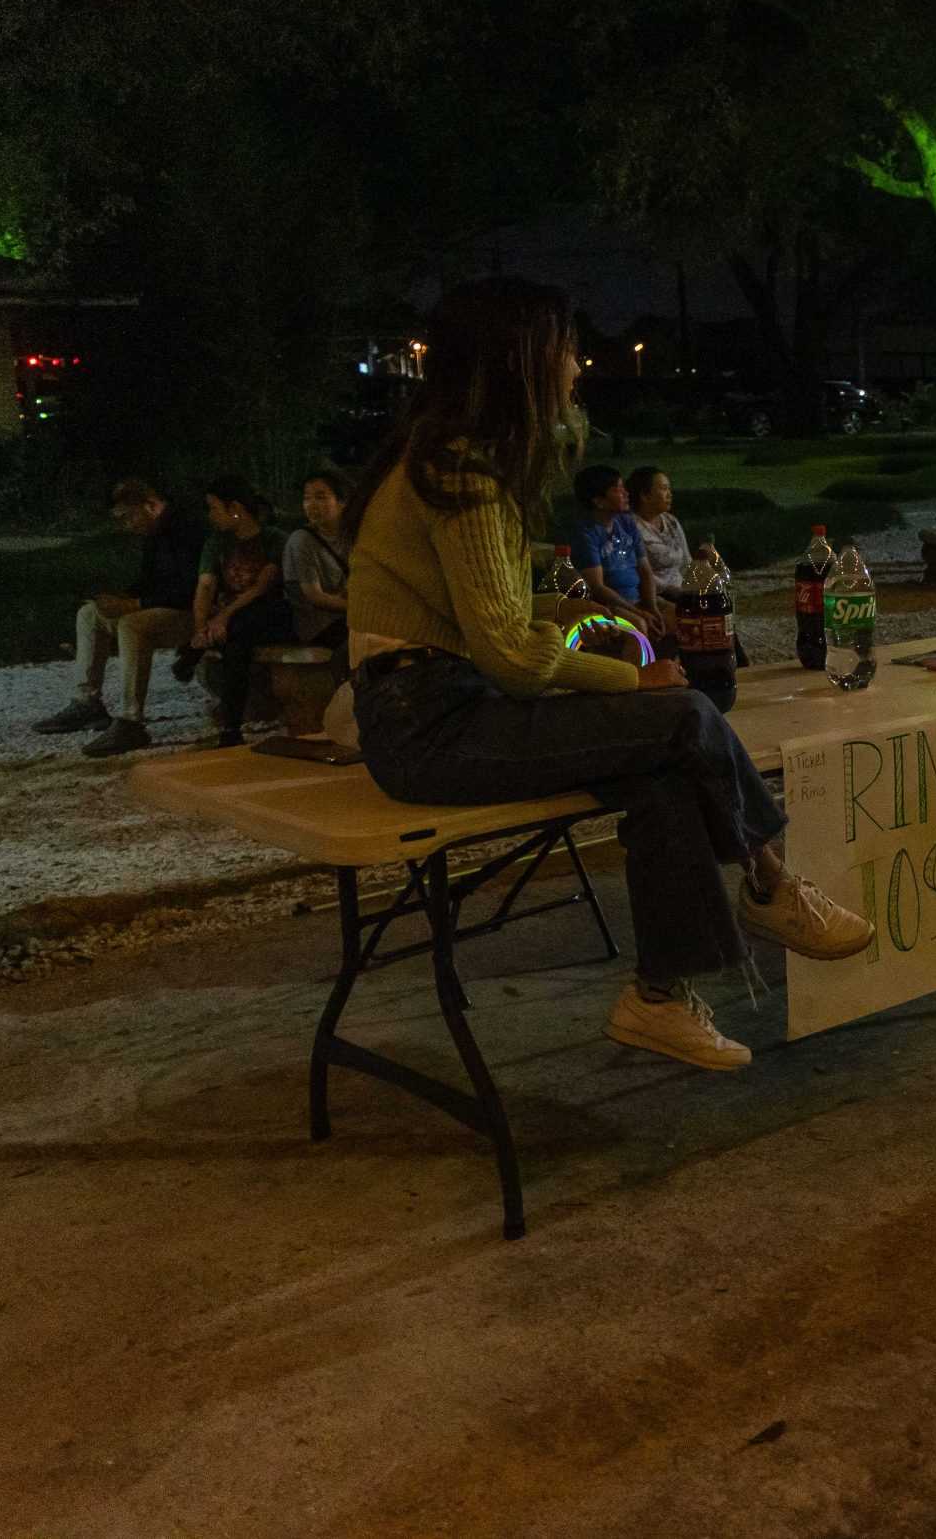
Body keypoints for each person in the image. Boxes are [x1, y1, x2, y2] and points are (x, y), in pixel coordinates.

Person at [343, 276, 874, 1072]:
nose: (576, 367)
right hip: (427, 721)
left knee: (663, 767)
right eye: (563, 350)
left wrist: (596, 626)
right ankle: (769, 883)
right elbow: (509, 657)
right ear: (517, 359)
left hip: (441, 704)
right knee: (684, 713)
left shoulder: (452, 458)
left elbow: (503, 611)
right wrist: (632, 680)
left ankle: (657, 997)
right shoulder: (461, 473)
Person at [33, 478, 208, 757]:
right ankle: (87, 701)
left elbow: (191, 588)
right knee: (90, 614)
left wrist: (133, 604)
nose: (127, 525)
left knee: (132, 624)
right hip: (164, 605)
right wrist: (117, 599)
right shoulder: (155, 533)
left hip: (193, 612)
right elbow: (150, 580)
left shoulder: (187, 529)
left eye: (128, 517)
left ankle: (130, 720)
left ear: (150, 505)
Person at [185, 474, 293, 749]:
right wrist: (200, 628)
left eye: (214, 508)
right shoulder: (217, 543)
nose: (211, 515)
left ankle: (231, 725)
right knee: (235, 638)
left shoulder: (274, 540)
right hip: (233, 622)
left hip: (270, 614)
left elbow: (261, 587)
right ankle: (231, 725)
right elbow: (205, 585)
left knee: (241, 626)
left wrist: (223, 616)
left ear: (236, 509)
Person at [570, 463, 664, 639]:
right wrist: (639, 612)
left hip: (638, 601)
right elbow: (597, 587)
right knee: (638, 626)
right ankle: (638, 667)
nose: (626, 494)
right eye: (618, 490)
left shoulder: (626, 523)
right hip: (610, 605)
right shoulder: (586, 534)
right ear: (598, 501)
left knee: (679, 616)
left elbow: (645, 571)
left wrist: (652, 607)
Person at [283, 469, 351, 651]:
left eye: (320, 497)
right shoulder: (301, 540)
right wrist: (359, 607)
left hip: (348, 618)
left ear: (342, 502)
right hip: (319, 627)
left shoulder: (351, 537)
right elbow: (315, 596)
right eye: (307, 498)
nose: (311, 505)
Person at [627, 465, 693, 603]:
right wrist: (672, 590)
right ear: (645, 496)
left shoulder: (671, 521)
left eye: (669, 488)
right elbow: (638, 572)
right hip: (655, 594)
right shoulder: (631, 527)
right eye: (663, 489)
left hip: (681, 591)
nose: (669, 494)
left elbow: (687, 562)